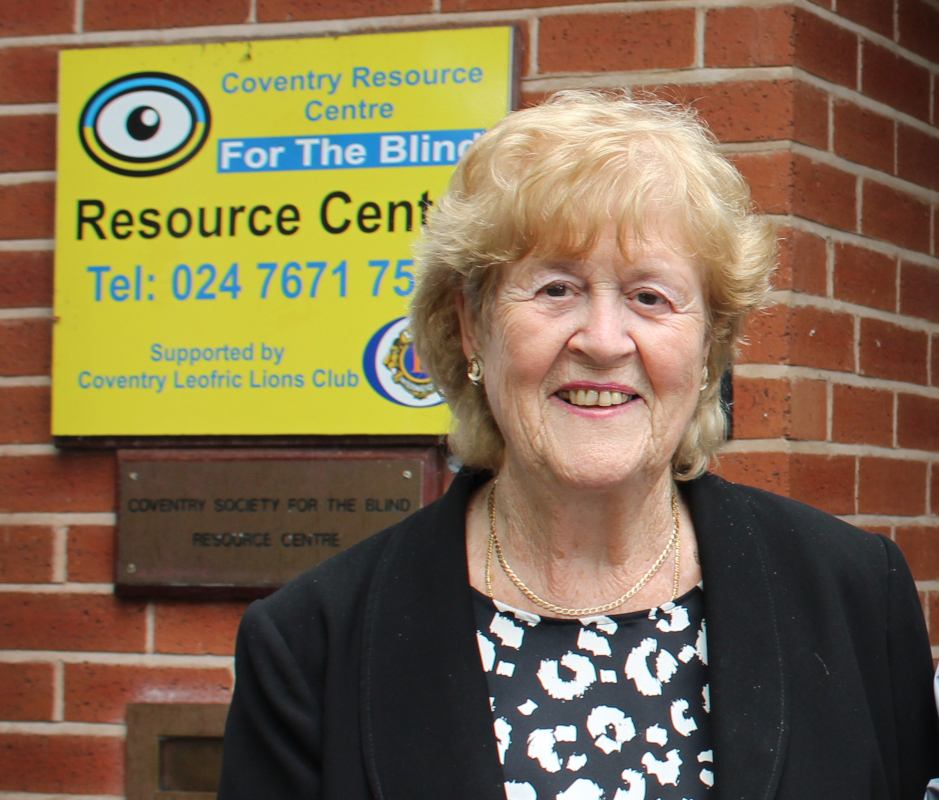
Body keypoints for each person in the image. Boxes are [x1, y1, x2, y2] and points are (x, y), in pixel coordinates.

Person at [217, 92, 939, 800]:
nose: (601, 340)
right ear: (471, 328)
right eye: (556, 289)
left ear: (708, 345)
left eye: (649, 297)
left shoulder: (852, 594)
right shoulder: (311, 643)